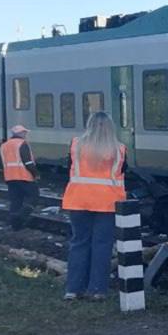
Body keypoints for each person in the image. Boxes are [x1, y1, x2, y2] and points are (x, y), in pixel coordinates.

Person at [61, 111, 126, 300]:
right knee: (102, 245)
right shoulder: (118, 149)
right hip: (107, 203)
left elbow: (70, 167)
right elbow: (123, 172)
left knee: (79, 242)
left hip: (79, 200)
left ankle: (73, 289)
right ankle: (97, 290)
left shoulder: (76, 145)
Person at [0, 124, 40, 230]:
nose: (25, 134)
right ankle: (21, 216)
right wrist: (35, 174)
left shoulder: (4, 145)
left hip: (9, 177)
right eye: (24, 132)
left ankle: (15, 226)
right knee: (33, 197)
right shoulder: (22, 143)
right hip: (24, 176)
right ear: (20, 133)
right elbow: (28, 161)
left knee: (16, 201)